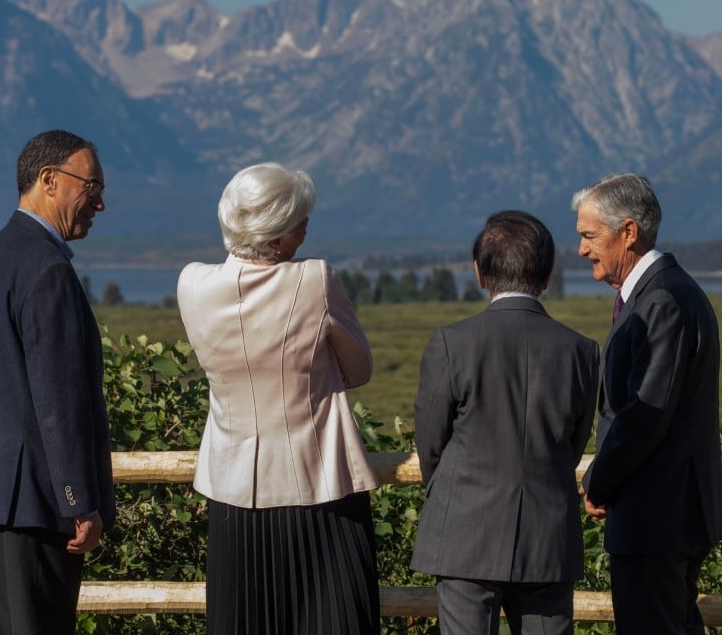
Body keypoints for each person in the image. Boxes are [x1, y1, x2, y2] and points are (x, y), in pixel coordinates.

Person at [176, 162, 380, 634]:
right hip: (319, 486)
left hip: (232, 493)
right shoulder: (315, 279)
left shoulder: (191, 283)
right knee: (335, 620)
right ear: (274, 237)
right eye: (298, 221)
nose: (306, 227)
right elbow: (360, 369)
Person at [0, 130, 116, 634]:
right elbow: (57, 399)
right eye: (93, 186)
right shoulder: (46, 268)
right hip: (35, 503)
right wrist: (79, 501)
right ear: (49, 180)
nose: (100, 203)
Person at [409, 210, 600, 635]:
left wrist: (452, 493)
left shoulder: (451, 343)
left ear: (479, 272)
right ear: (547, 274)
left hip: (463, 532)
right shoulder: (582, 351)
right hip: (548, 534)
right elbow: (574, 440)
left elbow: (430, 441)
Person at [573, 173, 722, 634]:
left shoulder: (660, 299)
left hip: (657, 514)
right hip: (664, 512)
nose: (581, 249)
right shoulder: (656, 294)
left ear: (628, 232)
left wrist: (600, 480)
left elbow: (645, 412)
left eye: (588, 235)